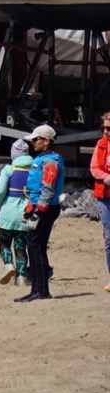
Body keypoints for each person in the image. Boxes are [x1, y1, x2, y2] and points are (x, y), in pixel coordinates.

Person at [16, 124, 66, 302]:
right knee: (33, 246)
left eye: (36, 140)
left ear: (46, 141)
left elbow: (48, 188)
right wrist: (30, 208)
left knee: (36, 246)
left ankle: (42, 290)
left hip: (45, 208)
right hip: (39, 206)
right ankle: (36, 289)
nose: (33, 143)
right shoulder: (43, 158)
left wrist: (38, 212)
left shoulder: (50, 161)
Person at [0, 139, 32, 287]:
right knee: (21, 247)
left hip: (8, 211)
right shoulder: (34, 169)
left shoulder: (9, 169)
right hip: (26, 213)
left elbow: (0, 191)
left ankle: (8, 264)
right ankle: (21, 277)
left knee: (4, 243)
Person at [88, 112, 110, 292]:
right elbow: (94, 168)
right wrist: (106, 177)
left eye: (109, 128)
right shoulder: (100, 145)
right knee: (109, 238)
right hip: (105, 196)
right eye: (103, 128)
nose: (105, 131)